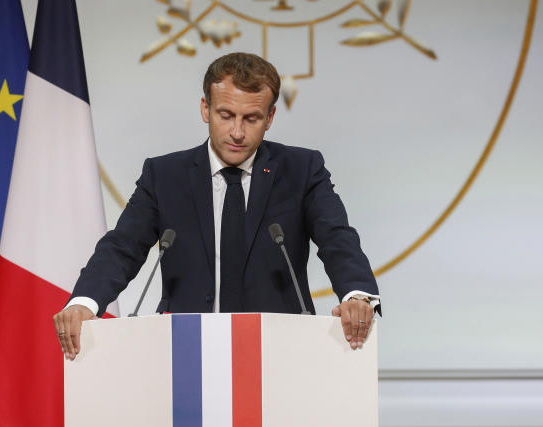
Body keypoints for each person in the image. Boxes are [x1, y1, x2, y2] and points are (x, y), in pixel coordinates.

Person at [53, 52, 380, 361]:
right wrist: (85, 303)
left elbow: (337, 239)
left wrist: (357, 295)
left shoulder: (302, 169)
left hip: (280, 351)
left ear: (270, 118)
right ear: (205, 109)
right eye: (226, 115)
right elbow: (123, 247)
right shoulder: (164, 175)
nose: (237, 132)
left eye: (251, 118)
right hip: (187, 352)